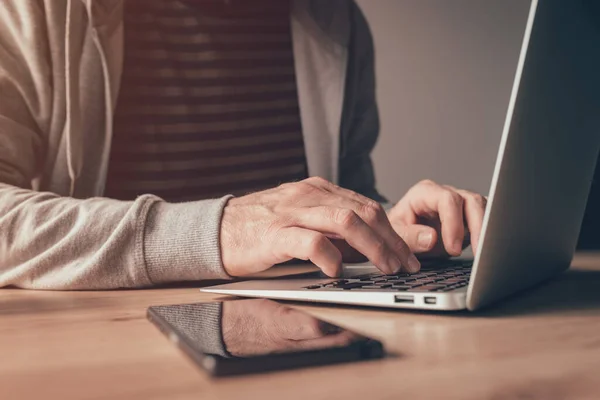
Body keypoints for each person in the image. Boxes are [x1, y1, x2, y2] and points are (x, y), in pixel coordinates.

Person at [0, 0, 487, 290]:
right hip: (106, 354)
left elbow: (335, 194)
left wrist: (383, 225)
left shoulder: (333, 19)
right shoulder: (34, 15)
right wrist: (218, 232)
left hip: (308, 343)